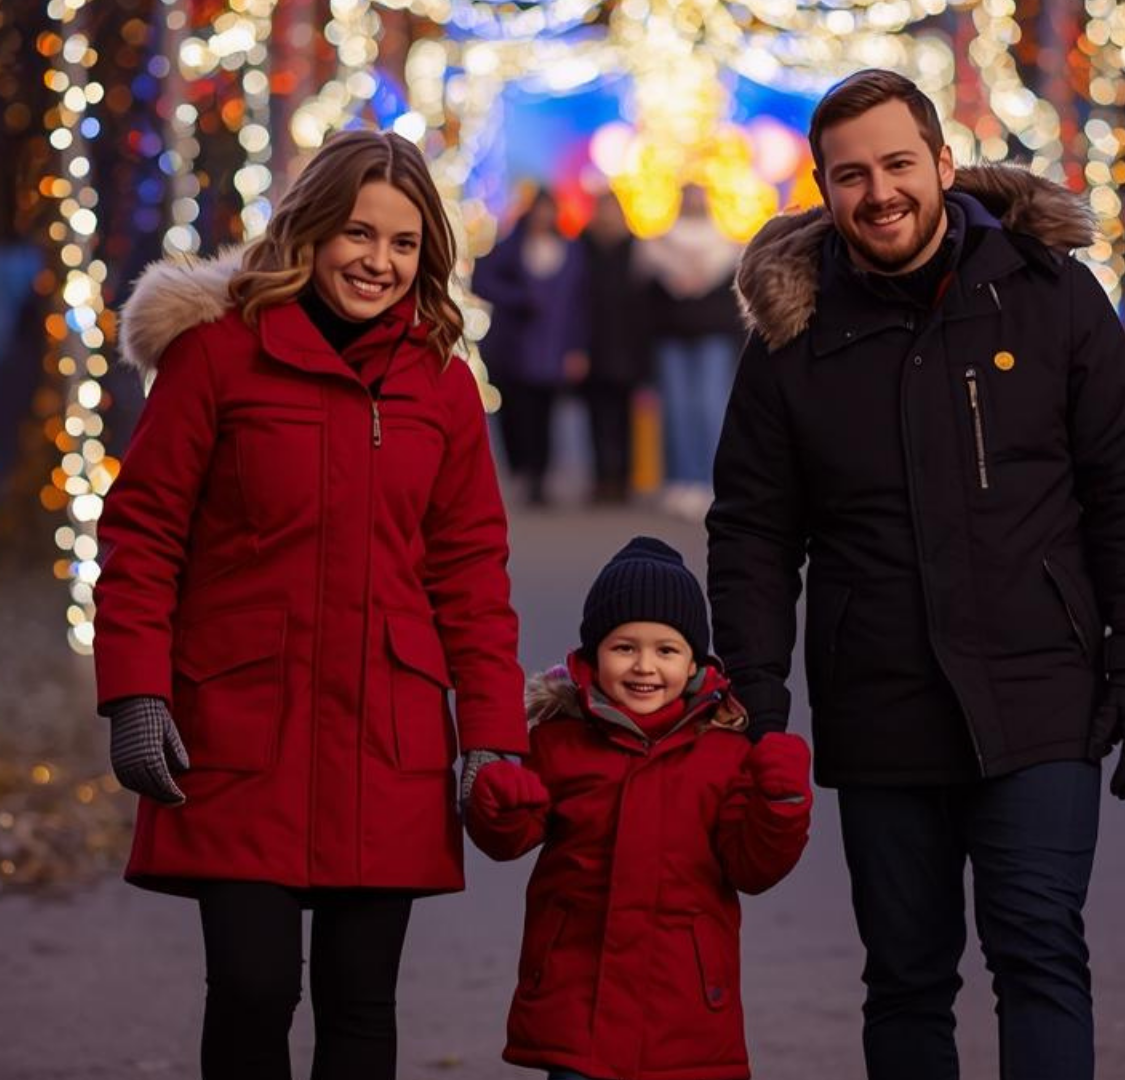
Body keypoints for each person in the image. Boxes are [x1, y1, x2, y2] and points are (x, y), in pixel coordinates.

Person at [707, 69, 1125, 1079]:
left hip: (1042, 691)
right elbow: (753, 531)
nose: (879, 193)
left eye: (896, 164)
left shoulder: (1047, 295)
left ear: (941, 163)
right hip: (881, 705)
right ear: (824, 189)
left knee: (1039, 952)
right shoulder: (794, 339)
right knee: (908, 977)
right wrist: (755, 696)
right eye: (851, 175)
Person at [96, 129, 528, 1080]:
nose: (378, 261)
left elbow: (470, 574)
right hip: (242, 726)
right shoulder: (217, 359)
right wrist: (136, 692)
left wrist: (492, 734)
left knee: (361, 1005)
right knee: (253, 992)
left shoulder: (444, 386)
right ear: (310, 232)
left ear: (428, 256)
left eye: (404, 243)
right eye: (357, 234)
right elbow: (144, 534)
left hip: (391, 736)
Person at [465, 537, 812, 1080]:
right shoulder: (560, 743)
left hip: (686, 1014)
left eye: (665, 650)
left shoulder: (723, 753)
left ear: (694, 661)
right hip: (576, 1008)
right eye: (624, 647)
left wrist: (781, 803)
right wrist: (502, 804)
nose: (644, 666)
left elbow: (753, 866)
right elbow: (508, 838)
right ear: (592, 655)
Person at [472, 188, 589, 507]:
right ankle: (522, 471)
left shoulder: (572, 251)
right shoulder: (511, 247)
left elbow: (579, 305)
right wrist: (520, 299)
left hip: (553, 348)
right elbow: (482, 281)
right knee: (516, 414)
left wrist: (577, 348)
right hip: (514, 348)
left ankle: (540, 476)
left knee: (546, 414)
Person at [637, 184, 743, 521]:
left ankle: (711, 481)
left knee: (711, 408)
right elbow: (644, 291)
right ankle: (680, 481)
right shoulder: (657, 245)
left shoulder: (727, 246)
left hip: (713, 337)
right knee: (677, 411)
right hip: (671, 336)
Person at [573, 191, 650, 505]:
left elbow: (645, 305)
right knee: (596, 417)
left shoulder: (636, 250)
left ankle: (623, 479)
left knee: (624, 418)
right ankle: (601, 478)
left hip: (627, 346)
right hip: (592, 345)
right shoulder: (581, 248)